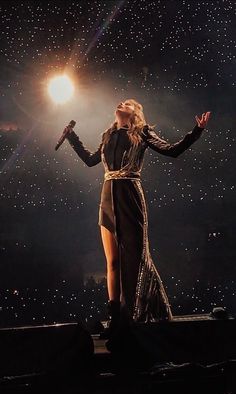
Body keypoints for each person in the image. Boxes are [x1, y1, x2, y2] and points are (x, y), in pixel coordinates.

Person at [63, 99, 211, 338]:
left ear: (135, 113)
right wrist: (72, 137)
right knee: (112, 263)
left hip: (130, 195)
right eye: (122, 102)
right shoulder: (108, 134)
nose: (122, 103)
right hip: (108, 197)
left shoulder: (142, 133)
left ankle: (136, 315)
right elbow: (91, 160)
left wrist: (197, 131)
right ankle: (114, 320)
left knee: (135, 259)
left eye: (129, 103)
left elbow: (172, 150)